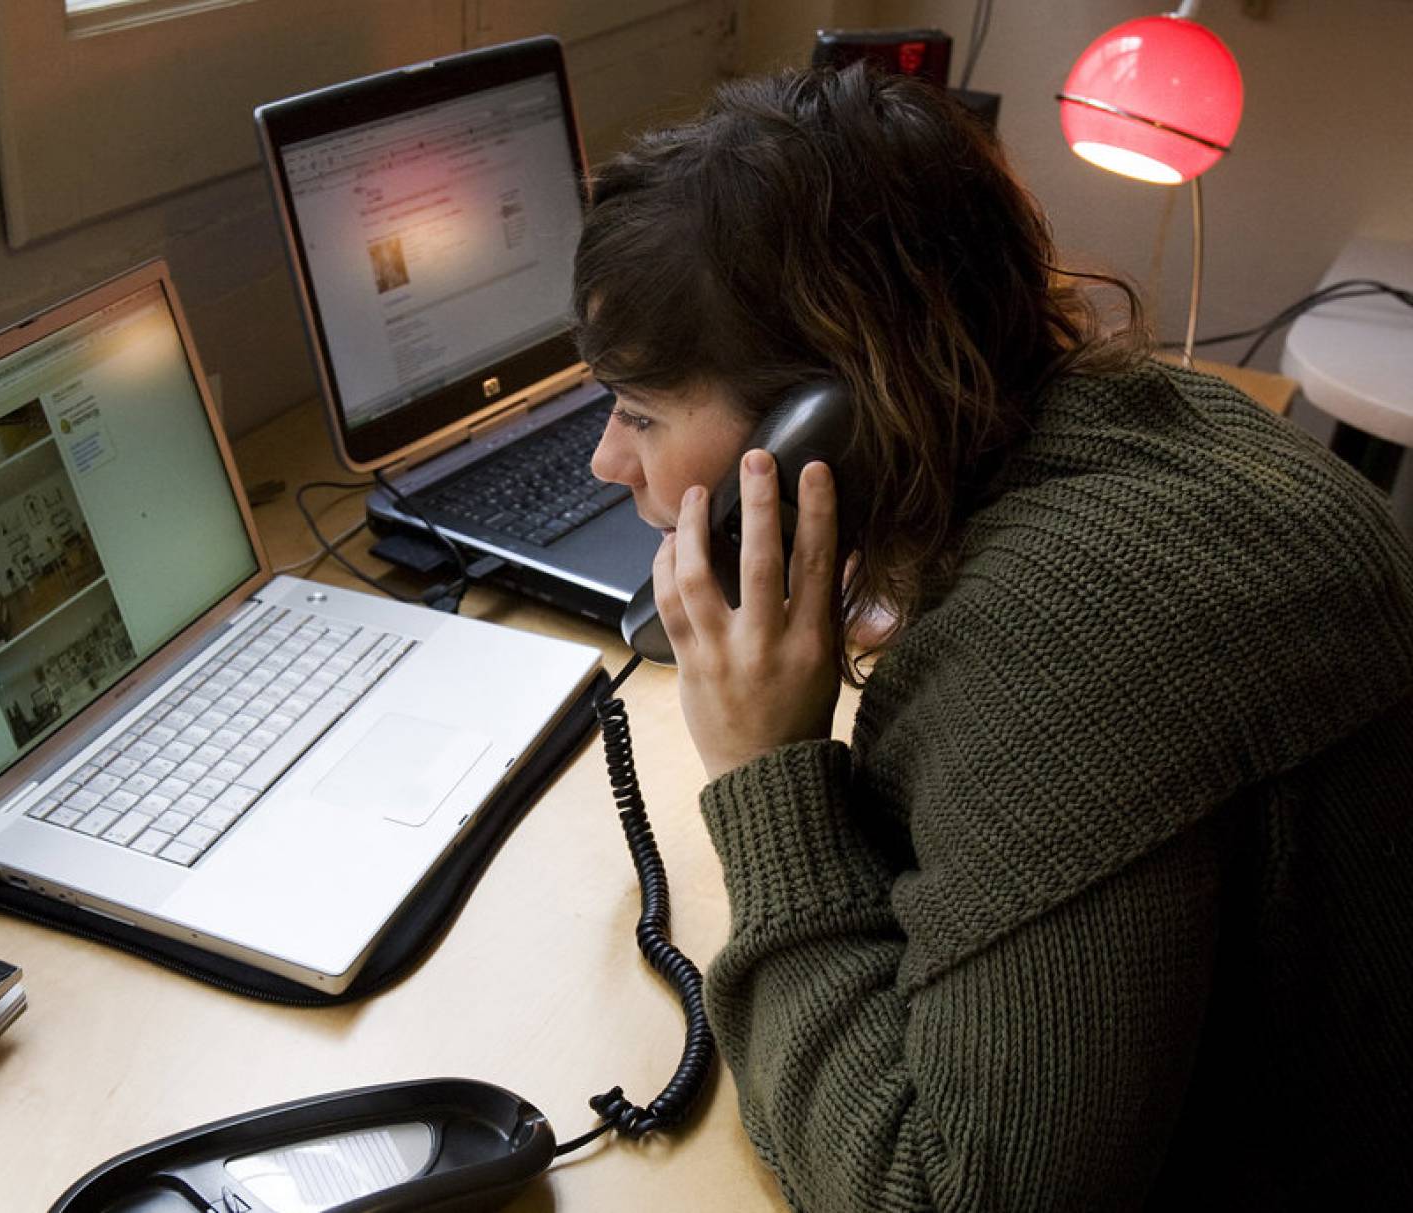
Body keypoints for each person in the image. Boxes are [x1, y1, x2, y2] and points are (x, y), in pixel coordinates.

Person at [576, 63, 1413, 1209]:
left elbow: (928, 1193)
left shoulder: (1051, 653)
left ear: (829, 421)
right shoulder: (1189, 427)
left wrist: (764, 769)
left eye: (639, 414)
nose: (606, 465)